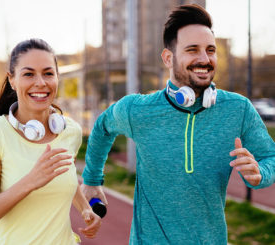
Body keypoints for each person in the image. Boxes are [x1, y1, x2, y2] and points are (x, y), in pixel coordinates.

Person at [80, 4, 275, 245]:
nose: (204, 59)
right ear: (168, 58)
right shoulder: (137, 109)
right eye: (193, 50)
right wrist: (91, 180)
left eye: (210, 50)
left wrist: (259, 174)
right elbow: (102, 128)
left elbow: (270, 157)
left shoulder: (238, 109)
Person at [0, 38, 101, 245]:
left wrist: (85, 207)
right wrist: (31, 181)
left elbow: (63, 175)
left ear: (57, 77)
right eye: (29, 74)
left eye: (48, 73)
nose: (40, 82)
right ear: (12, 80)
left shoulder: (71, 131)